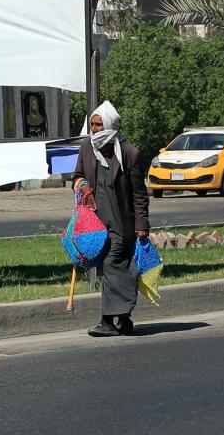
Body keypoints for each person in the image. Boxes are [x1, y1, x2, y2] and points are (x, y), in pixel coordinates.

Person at [71, 101, 149, 337]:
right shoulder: (86, 148)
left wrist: (141, 226)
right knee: (116, 267)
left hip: (121, 222)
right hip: (95, 222)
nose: (94, 129)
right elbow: (77, 176)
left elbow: (139, 193)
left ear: (110, 125)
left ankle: (107, 320)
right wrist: (82, 186)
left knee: (112, 263)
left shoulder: (129, 153)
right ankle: (124, 319)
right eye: (92, 125)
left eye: (98, 125)